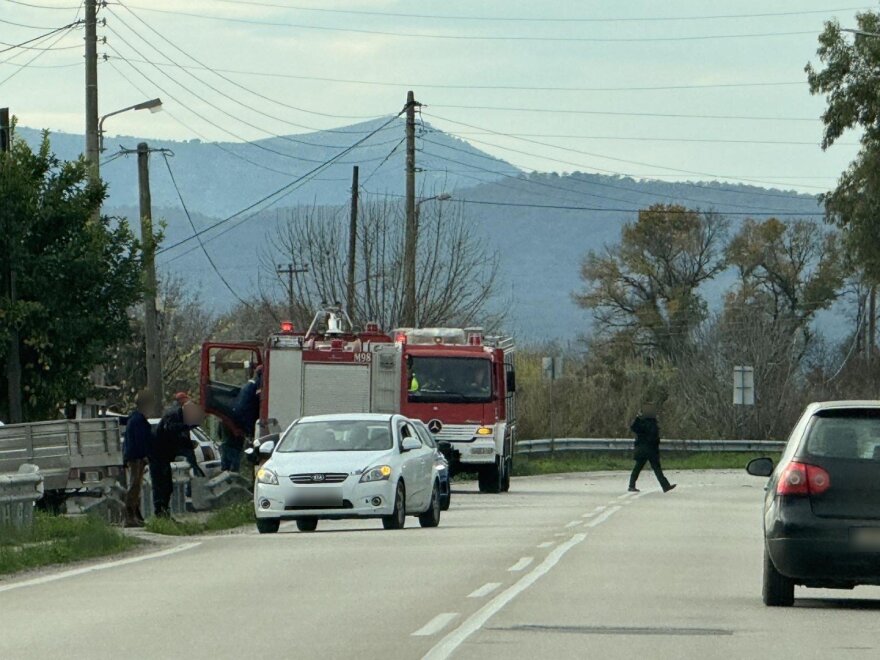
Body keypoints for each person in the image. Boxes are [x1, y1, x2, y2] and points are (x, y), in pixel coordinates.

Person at [150, 400, 206, 517]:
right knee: (161, 485)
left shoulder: (182, 419)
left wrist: (191, 451)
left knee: (167, 486)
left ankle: (165, 512)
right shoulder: (174, 415)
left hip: (165, 455)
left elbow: (183, 441)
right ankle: (160, 512)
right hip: (158, 454)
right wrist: (187, 426)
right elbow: (170, 429)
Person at [122, 390, 154, 528]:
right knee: (134, 486)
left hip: (135, 457)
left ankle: (136, 515)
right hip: (136, 458)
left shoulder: (135, 419)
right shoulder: (138, 421)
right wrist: (145, 456)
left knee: (137, 486)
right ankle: (129, 517)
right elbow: (139, 441)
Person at [628, 405, 676, 493]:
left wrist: (638, 418)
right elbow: (655, 439)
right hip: (651, 450)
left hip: (642, 450)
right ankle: (665, 486)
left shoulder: (641, 423)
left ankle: (631, 485)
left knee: (638, 468)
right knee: (657, 469)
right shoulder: (653, 425)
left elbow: (633, 427)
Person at [228, 367, 262, 472]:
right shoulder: (257, 383)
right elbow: (261, 396)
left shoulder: (250, 383)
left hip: (242, 415)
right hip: (248, 415)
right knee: (254, 440)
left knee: (249, 440)